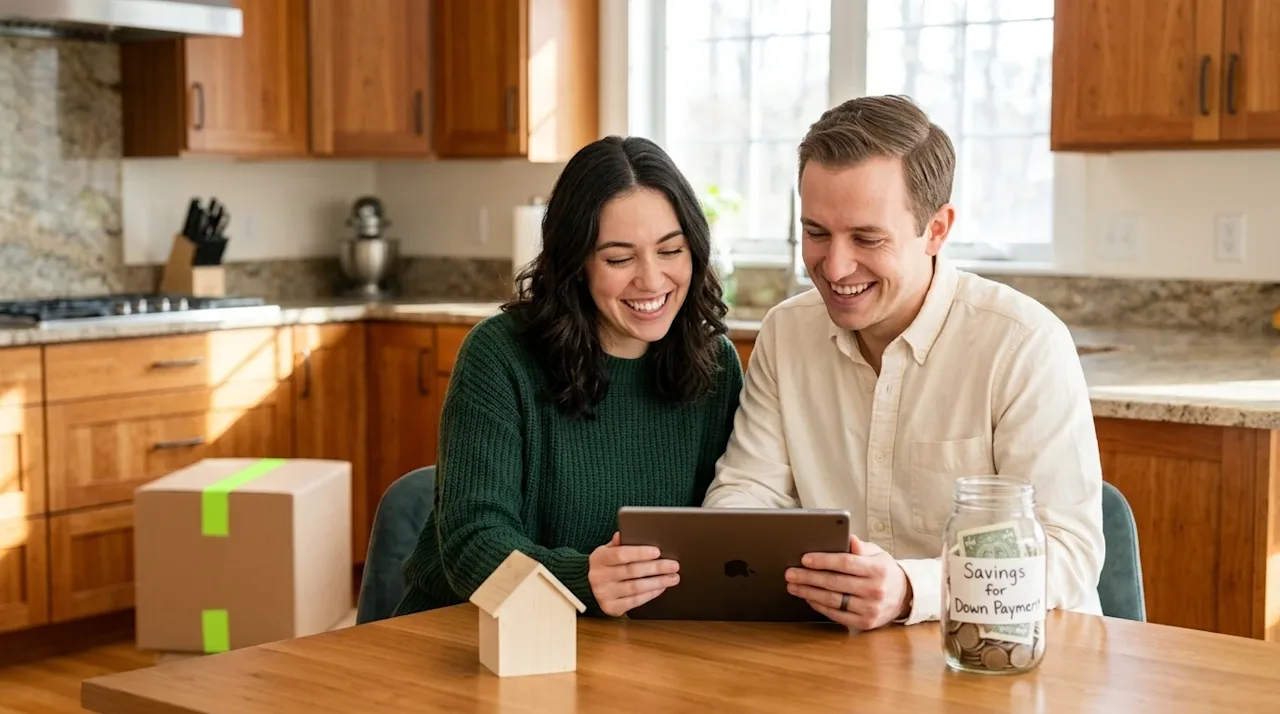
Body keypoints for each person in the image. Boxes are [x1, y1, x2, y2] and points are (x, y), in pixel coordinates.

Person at [702, 95, 1105, 631]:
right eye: (817, 233)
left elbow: (1067, 553)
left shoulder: (1023, 344)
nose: (835, 265)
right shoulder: (787, 332)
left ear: (936, 230)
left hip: (1009, 654)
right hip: (844, 656)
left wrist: (912, 589)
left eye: (867, 238)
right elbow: (748, 491)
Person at [393, 136, 744, 619]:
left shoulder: (715, 365)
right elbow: (471, 544)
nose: (651, 279)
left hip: (623, 647)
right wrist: (581, 580)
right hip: (465, 632)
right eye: (619, 258)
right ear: (576, 264)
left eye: (671, 250)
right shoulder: (500, 355)